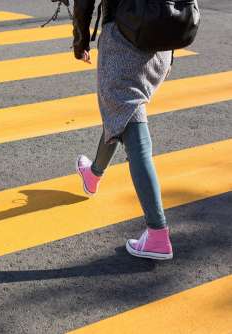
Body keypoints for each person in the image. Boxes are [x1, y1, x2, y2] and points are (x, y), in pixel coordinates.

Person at [71, 0, 173, 260]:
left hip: (126, 39)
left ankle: (157, 232)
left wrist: (80, 41)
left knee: (133, 128)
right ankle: (93, 174)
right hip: (162, 40)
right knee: (122, 110)